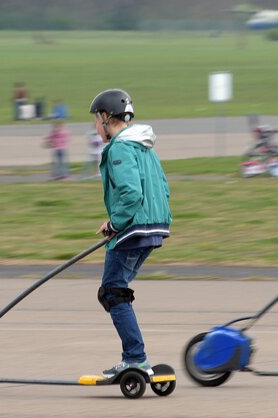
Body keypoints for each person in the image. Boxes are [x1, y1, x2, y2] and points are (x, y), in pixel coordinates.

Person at [90, 88, 171, 379]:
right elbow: (162, 188)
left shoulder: (120, 148)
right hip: (153, 227)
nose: (95, 128)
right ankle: (135, 356)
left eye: (95, 122)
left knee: (111, 292)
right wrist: (118, 219)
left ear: (105, 117)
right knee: (118, 291)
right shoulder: (144, 145)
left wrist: (115, 224)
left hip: (133, 230)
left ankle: (135, 358)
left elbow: (131, 193)